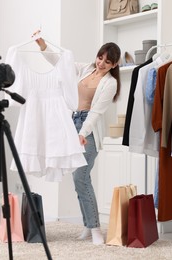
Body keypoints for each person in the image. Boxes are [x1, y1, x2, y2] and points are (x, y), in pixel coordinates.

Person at [36, 37, 121, 245]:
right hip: (71, 122)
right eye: (100, 58)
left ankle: (95, 229)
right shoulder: (86, 69)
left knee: (81, 177)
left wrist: (83, 133)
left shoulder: (110, 83)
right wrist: (42, 45)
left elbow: (96, 113)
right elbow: (60, 62)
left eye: (107, 62)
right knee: (78, 179)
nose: (101, 63)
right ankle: (87, 225)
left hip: (88, 129)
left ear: (114, 65)